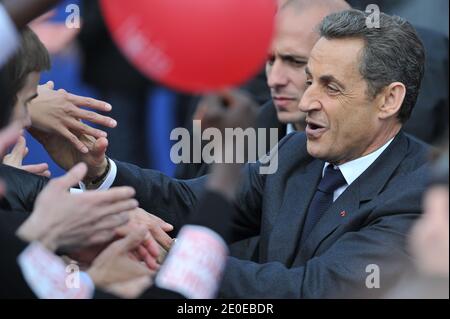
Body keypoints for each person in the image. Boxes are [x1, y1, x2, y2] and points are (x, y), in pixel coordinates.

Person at [38, 7, 431, 298]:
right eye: (308, 80)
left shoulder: (423, 193)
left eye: (330, 87)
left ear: (388, 100)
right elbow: (189, 197)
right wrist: (99, 168)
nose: (306, 99)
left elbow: (314, 289)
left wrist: (178, 256)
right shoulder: (297, 151)